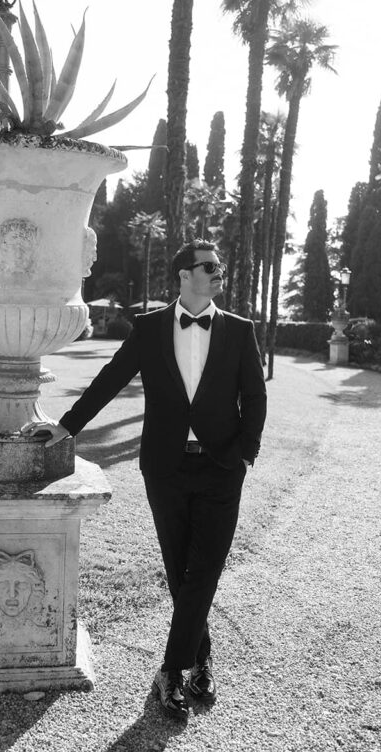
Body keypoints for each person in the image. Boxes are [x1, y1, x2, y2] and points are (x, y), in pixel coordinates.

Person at [23, 239, 267, 720]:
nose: (219, 273)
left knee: (207, 569)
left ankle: (171, 671)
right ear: (182, 276)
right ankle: (201, 661)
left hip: (222, 469)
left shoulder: (240, 331)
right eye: (209, 267)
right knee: (181, 571)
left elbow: (254, 397)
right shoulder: (152, 328)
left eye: (220, 266)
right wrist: (67, 425)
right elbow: (111, 377)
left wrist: (245, 453)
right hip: (166, 468)